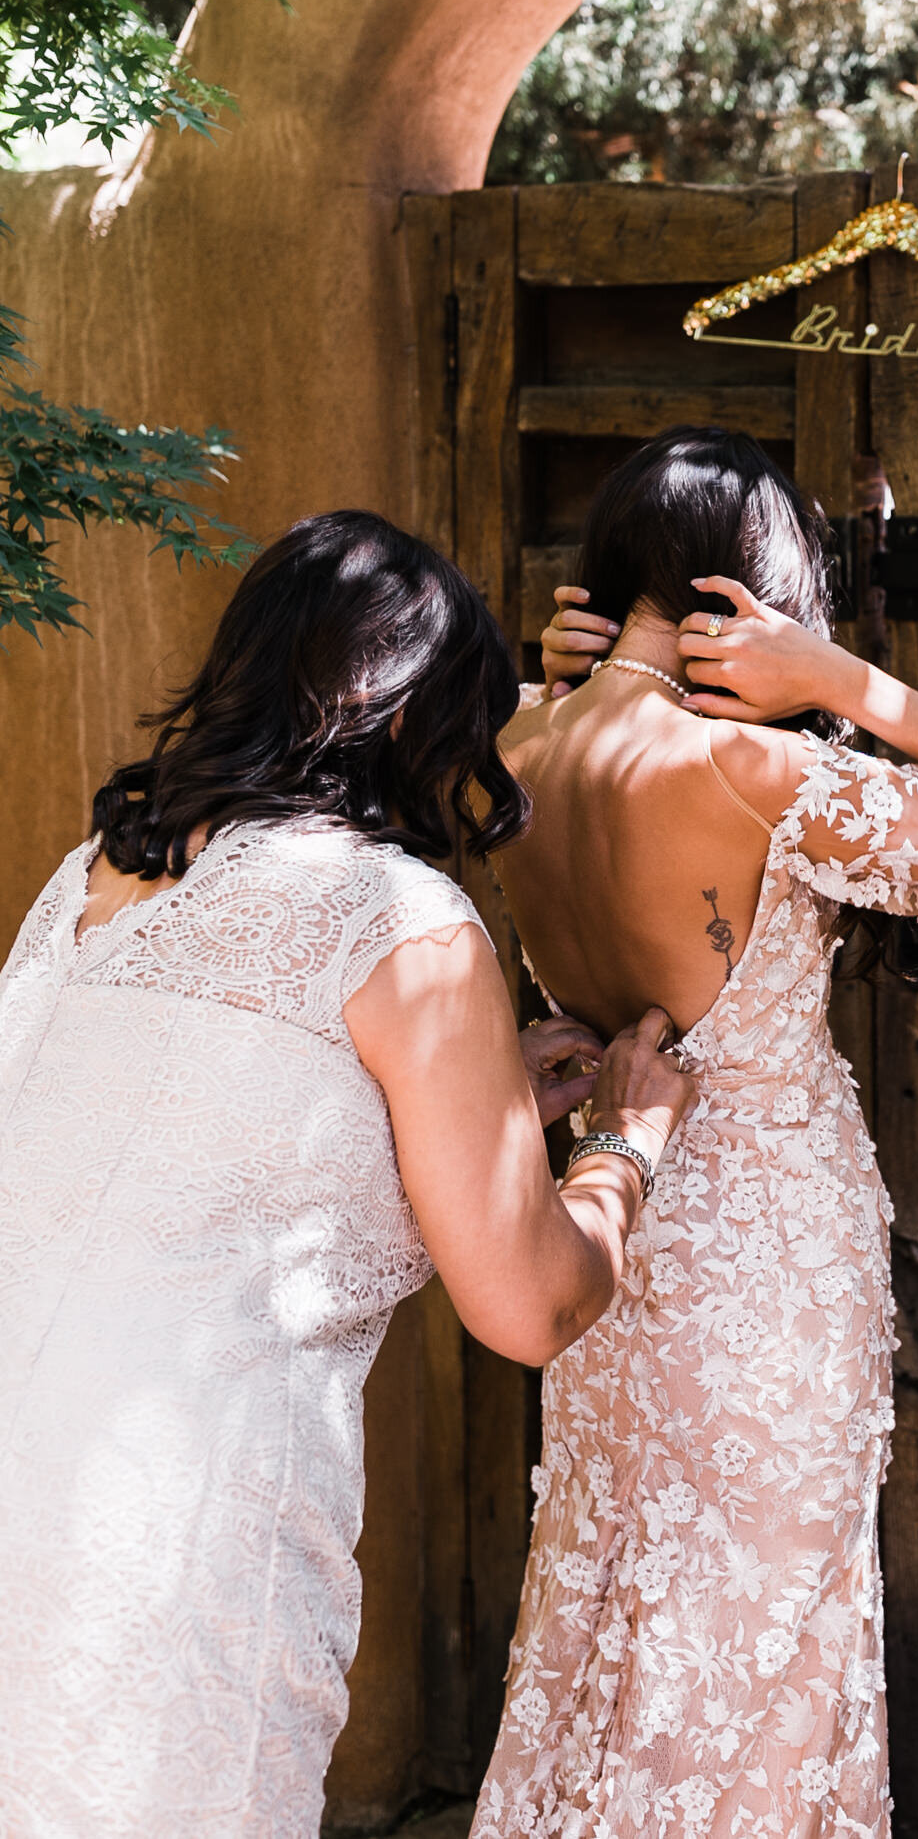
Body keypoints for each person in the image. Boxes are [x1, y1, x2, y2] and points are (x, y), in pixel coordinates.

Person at [0, 511, 694, 1839]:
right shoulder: (397, 918)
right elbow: (531, 1306)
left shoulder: (93, 877)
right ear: (423, 722)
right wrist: (624, 1143)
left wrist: (478, 1098)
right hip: (170, 1537)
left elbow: (199, 1149)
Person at [473, 429, 918, 1839]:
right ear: (758, 588)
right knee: (758, 1654)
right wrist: (844, 683)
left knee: (612, 1632)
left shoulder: (512, 739)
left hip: (609, 1232)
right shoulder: (756, 775)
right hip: (767, 1268)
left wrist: (568, 674)